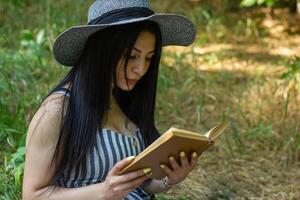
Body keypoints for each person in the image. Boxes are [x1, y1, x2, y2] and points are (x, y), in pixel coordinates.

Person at [22, 0, 198, 199]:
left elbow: (142, 185)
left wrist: (170, 179)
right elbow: (33, 195)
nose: (141, 69)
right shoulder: (57, 111)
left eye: (148, 58)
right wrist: (104, 192)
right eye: (132, 56)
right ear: (102, 51)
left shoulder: (126, 98)